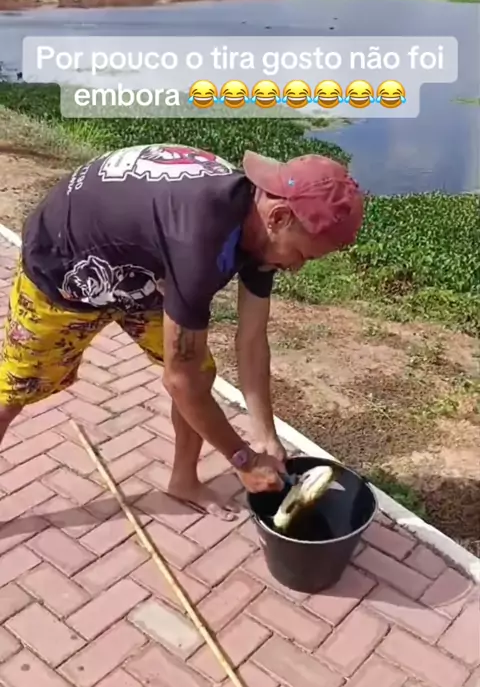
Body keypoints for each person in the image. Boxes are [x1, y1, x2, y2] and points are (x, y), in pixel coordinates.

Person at [0, 143, 364, 519]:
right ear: (279, 217)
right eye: (303, 255)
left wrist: (265, 436)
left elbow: (252, 340)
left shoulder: (260, 226)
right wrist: (242, 458)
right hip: (64, 268)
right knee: (12, 391)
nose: (298, 268)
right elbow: (179, 381)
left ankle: (184, 480)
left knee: (199, 373)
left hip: (144, 271)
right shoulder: (199, 239)